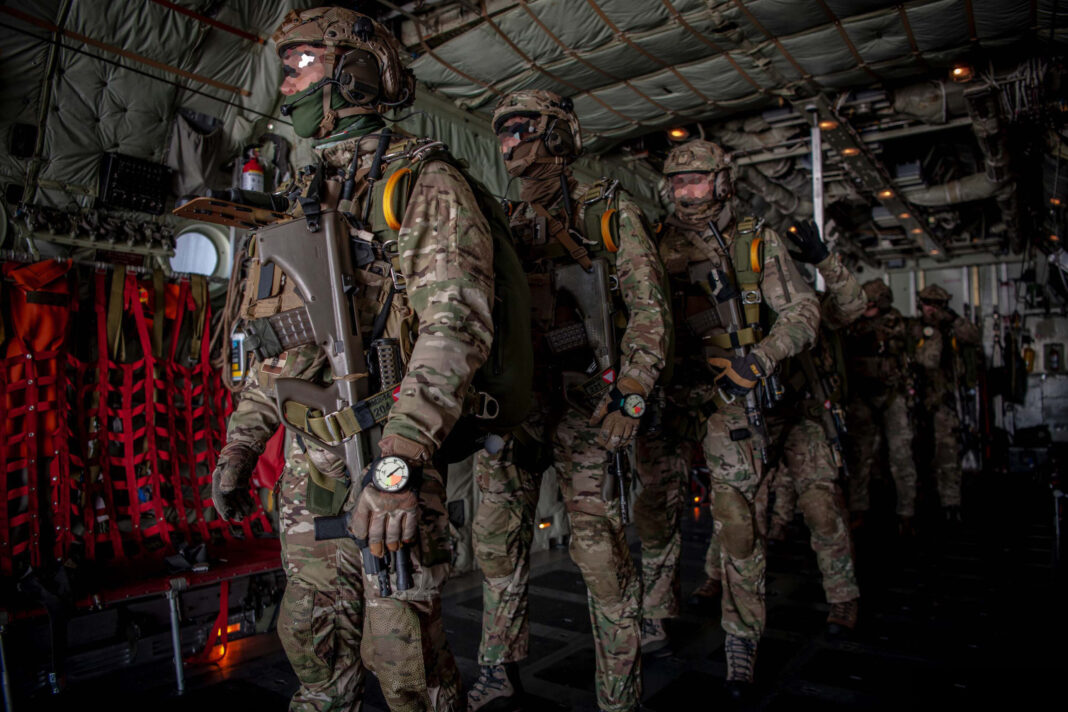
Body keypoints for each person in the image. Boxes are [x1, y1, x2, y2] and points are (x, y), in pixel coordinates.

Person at [211, 8, 496, 710]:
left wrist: (398, 461)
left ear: (354, 73)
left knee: (406, 670)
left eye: (301, 63)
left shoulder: (420, 184)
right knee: (313, 650)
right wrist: (242, 443)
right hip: (310, 479)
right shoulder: (300, 196)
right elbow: (278, 344)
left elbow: (455, 326)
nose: (287, 85)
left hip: (385, 466)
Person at [467, 90, 670, 712]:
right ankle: (498, 668)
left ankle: (619, 691)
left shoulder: (609, 212)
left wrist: (631, 392)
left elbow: (650, 312)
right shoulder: (500, 218)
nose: (509, 146)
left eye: (521, 131)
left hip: (589, 405)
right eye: (501, 136)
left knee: (599, 550)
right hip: (517, 410)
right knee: (497, 542)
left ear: (558, 136)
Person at [657, 140, 819, 697]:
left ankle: (742, 640)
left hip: (730, 397)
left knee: (738, 523)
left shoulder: (755, 241)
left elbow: (803, 312)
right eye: (678, 183)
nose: (687, 192)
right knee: (655, 514)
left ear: (721, 182)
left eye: (697, 181)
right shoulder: (653, 241)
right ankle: (654, 619)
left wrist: (763, 357)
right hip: (667, 398)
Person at [764, 222, 863, 634]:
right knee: (735, 508)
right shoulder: (749, 304)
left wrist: (825, 261)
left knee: (822, 510)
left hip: (806, 419)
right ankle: (718, 578)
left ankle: (842, 596)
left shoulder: (816, 307)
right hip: (760, 419)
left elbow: (853, 305)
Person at [843, 279, 918, 535]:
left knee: (901, 455)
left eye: (872, 304)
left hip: (891, 395)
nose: (867, 308)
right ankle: (858, 509)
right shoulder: (853, 325)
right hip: (861, 396)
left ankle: (906, 512)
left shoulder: (897, 323)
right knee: (859, 457)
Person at [909, 284, 982, 522]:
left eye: (935, 305)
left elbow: (973, 335)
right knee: (914, 455)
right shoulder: (914, 328)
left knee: (948, 454)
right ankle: (918, 503)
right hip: (915, 401)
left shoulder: (952, 328)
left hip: (945, 402)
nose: (930, 309)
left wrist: (950, 320)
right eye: (926, 304)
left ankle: (951, 503)